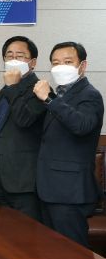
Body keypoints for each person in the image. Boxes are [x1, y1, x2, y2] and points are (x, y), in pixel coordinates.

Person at [31, 41, 103, 247]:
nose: (60, 67)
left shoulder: (90, 95)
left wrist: (50, 99)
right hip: (49, 188)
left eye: (68, 62)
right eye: (55, 63)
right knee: (52, 252)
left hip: (70, 191)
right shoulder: (60, 95)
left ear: (82, 65)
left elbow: (81, 125)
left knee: (73, 253)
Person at [0, 36, 43, 221]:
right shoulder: (6, 89)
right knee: (3, 233)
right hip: (0, 176)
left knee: (25, 233)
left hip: (23, 181)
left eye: (20, 56)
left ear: (32, 62)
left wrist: (12, 87)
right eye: (9, 55)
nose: (13, 60)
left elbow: (24, 119)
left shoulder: (39, 90)